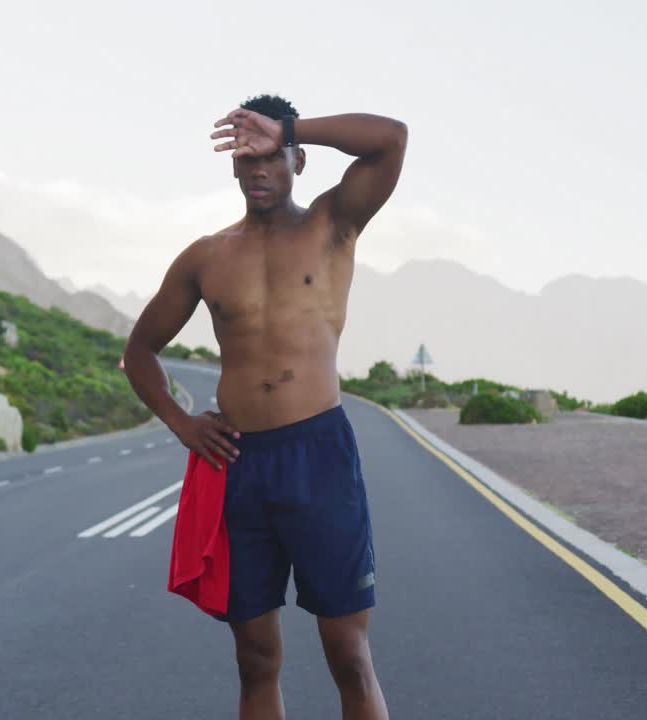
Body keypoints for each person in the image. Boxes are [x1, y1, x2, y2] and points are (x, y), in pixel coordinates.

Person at [123, 94, 406, 720]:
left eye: (272, 155)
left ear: (297, 160)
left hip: (319, 457)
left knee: (348, 654)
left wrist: (287, 126)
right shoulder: (206, 257)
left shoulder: (333, 224)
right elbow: (140, 351)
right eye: (246, 156)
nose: (259, 168)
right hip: (240, 465)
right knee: (255, 658)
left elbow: (390, 137)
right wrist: (181, 422)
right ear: (231, 167)